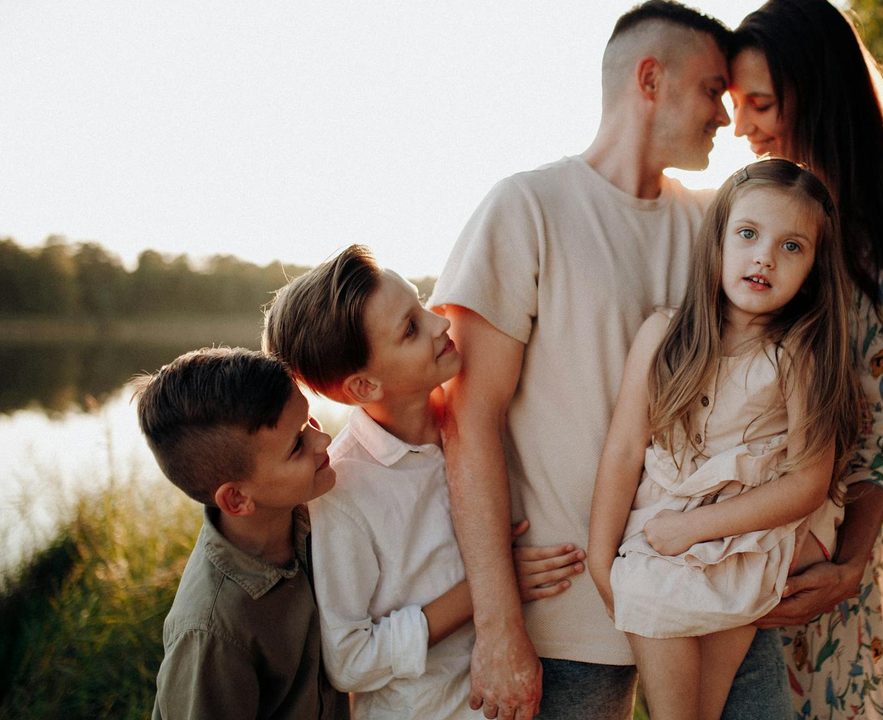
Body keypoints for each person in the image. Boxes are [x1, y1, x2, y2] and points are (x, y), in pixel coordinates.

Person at [429, 2, 733, 716]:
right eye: (712, 89)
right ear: (650, 79)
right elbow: (466, 419)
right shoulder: (525, 207)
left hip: (700, 595)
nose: (724, 114)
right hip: (564, 616)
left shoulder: (716, 226)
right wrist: (498, 623)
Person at [725, 1, 883, 718]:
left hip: (820, 573)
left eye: (760, 103)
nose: (740, 126)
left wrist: (848, 566)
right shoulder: (745, 225)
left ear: (815, 94)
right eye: (735, 103)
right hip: (720, 561)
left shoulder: (875, 243)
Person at [262, 245, 587, 719]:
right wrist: (493, 585)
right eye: (411, 329)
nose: (441, 323)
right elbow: (349, 661)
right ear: (364, 387)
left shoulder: (478, 424)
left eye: (421, 303)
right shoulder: (343, 489)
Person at [588, 159, 861, 720]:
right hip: (658, 537)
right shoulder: (664, 334)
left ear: (813, 269)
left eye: (792, 247)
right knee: (669, 674)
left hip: (746, 539)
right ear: (717, 241)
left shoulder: (796, 356)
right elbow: (623, 450)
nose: (765, 257)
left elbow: (807, 484)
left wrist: (692, 529)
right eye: (748, 234)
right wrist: (599, 557)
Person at [134, 347, 349, 720]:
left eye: (309, 421)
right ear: (237, 499)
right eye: (297, 445)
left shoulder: (316, 516)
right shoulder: (212, 632)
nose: (323, 440)